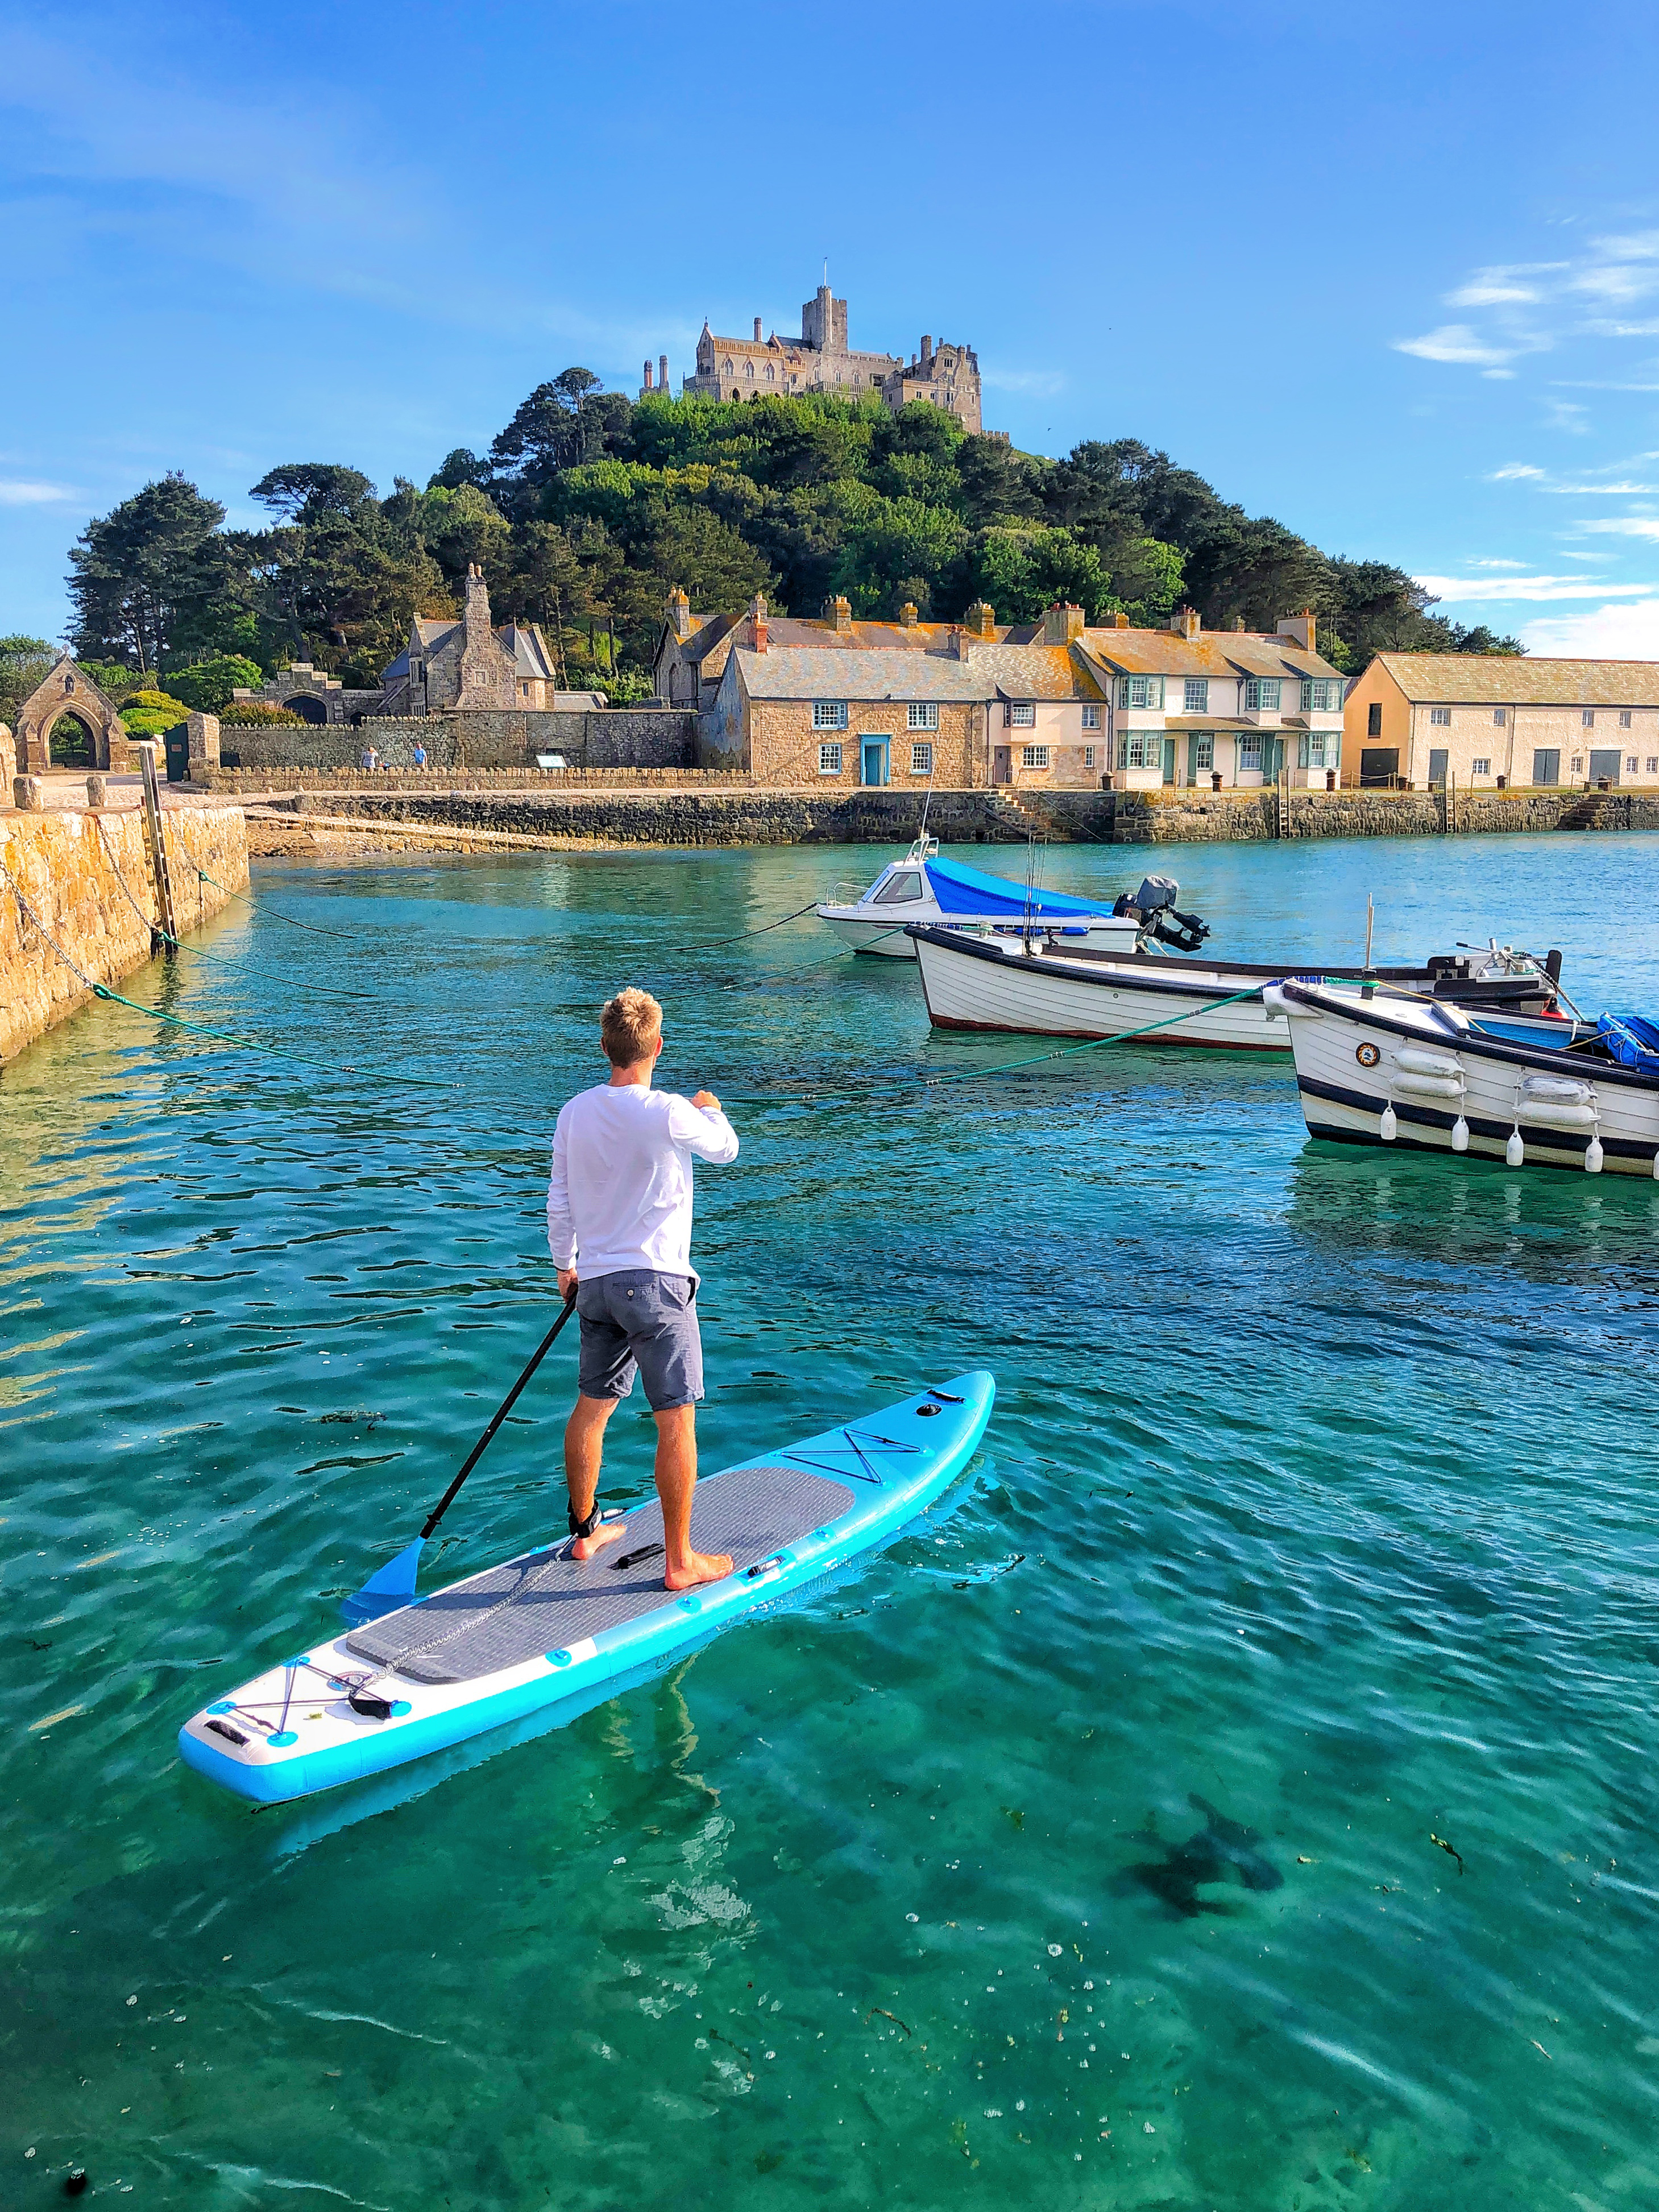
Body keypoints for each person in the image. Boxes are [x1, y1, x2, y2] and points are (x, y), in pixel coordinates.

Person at [546, 986, 739, 1591]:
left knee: (592, 1409)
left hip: (596, 1286)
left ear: (604, 1047)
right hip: (656, 1286)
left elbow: (558, 1199)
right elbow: (726, 1151)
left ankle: (584, 1534)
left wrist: (565, 1266)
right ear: (656, 1045)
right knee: (675, 1422)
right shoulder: (668, 1110)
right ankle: (681, 1562)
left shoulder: (573, 1111)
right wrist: (711, 1110)